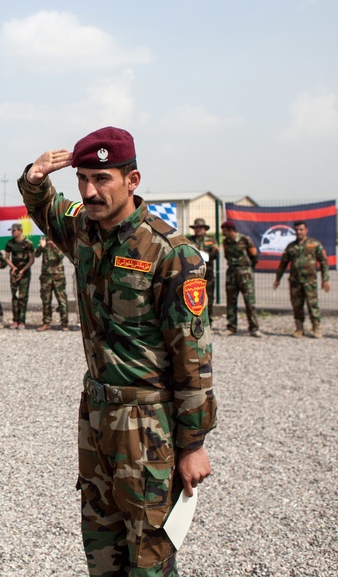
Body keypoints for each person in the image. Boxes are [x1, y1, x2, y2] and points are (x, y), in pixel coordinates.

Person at [18, 126, 216, 577]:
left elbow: (193, 357)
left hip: (147, 425)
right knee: (101, 548)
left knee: (148, 556)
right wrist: (35, 178)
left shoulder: (170, 253)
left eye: (102, 178)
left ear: (132, 180)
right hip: (96, 416)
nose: (90, 191)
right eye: (82, 179)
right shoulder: (84, 233)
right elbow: (45, 208)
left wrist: (194, 444)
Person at [273, 221, 331, 338]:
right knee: (297, 305)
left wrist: (325, 279)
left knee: (312, 304)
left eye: (301, 230)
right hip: (295, 281)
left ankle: (316, 328)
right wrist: (277, 279)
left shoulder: (314, 244)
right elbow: (283, 263)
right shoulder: (291, 247)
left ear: (306, 230)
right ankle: (299, 328)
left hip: (309, 281)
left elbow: (324, 262)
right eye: (296, 230)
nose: (299, 232)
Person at [221, 220, 261, 337]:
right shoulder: (226, 242)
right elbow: (227, 256)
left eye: (224, 231)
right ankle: (231, 327)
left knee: (250, 302)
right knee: (231, 302)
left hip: (245, 274)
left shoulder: (245, 240)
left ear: (231, 230)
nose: (223, 233)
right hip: (231, 273)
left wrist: (248, 269)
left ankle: (254, 328)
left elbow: (254, 256)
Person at [186, 218, 219, 329]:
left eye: (200, 227)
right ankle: (194, 322)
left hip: (207, 274)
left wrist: (205, 255)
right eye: (196, 228)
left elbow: (215, 253)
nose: (198, 229)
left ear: (205, 229)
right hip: (193, 275)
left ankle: (209, 322)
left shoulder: (211, 240)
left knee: (209, 298)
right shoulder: (189, 240)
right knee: (193, 299)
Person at [35, 234, 70, 331]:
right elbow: (36, 255)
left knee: (62, 301)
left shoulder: (59, 243)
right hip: (46, 278)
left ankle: (64, 324)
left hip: (58, 278)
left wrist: (54, 246)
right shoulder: (44, 242)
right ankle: (46, 323)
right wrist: (41, 247)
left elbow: (61, 256)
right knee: (46, 301)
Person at [4, 223, 34, 329]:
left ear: (20, 231)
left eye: (14, 231)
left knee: (23, 297)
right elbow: (7, 258)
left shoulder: (28, 243)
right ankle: (15, 320)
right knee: (15, 297)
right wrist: (13, 268)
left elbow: (31, 260)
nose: (12, 233)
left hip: (25, 273)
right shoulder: (10, 243)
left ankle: (22, 321)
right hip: (14, 273)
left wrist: (23, 270)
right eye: (11, 231)